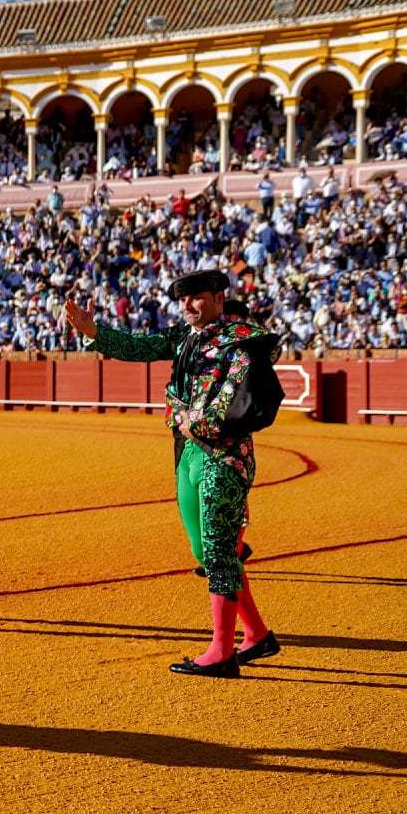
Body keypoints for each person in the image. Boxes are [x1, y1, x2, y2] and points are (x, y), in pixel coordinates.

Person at [63, 270, 280, 678]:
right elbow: (138, 346)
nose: (188, 305)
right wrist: (93, 330)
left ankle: (222, 652)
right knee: (206, 551)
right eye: (184, 299)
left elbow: (246, 398)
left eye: (196, 297)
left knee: (217, 552)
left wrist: (197, 423)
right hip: (189, 456)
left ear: (218, 297)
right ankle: (256, 634)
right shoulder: (185, 337)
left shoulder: (243, 341)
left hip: (226, 454)